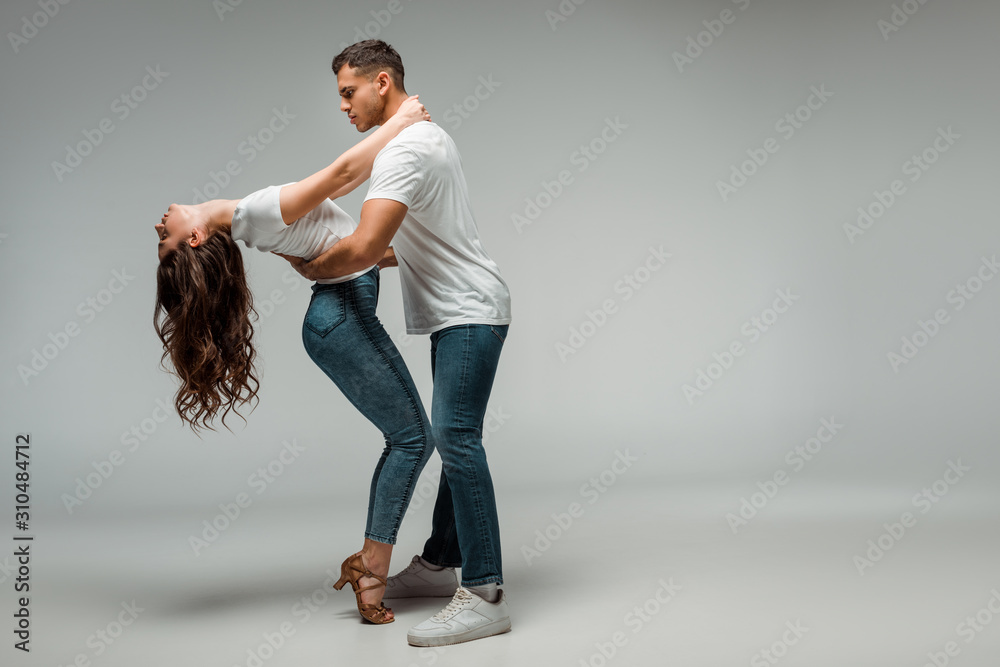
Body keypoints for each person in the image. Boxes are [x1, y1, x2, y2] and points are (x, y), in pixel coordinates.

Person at [153, 95, 432, 625]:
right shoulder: (254, 214)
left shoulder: (248, 221)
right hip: (341, 319)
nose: (158, 227)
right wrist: (401, 121)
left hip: (337, 317)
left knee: (412, 437)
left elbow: (344, 239)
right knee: (414, 438)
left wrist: (423, 255)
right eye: (164, 240)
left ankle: (372, 571)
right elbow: (345, 173)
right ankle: (371, 572)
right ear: (193, 236)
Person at [278, 40, 513, 647]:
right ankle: (439, 565)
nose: (343, 106)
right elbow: (395, 248)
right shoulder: (421, 140)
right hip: (462, 312)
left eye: (348, 93)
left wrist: (309, 264)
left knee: (456, 439)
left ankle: (485, 593)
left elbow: (359, 249)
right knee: (448, 434)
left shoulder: (405, 149)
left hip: (468, 313)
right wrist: (348, 259)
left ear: (382, 83)